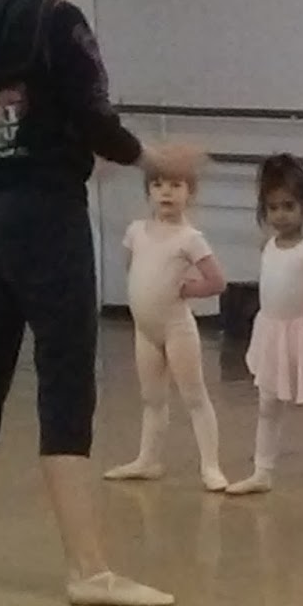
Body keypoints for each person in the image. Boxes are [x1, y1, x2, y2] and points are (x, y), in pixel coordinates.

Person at [0, 0, 202, 606]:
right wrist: (154, 157)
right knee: (65, 378)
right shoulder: (60, 20)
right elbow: (96, 117)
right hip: (46, 216)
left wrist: (39, 143)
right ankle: (88, 570)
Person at [103, 162, 227, 490]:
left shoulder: (190, 238)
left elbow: (217, 281)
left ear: (190, 193)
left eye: (175, 185)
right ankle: (148, 459)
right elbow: (132, 267)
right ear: (148, 192)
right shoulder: (136, 231)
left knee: (194, 396)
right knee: (152, 398)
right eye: (158, 185)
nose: (166, 192)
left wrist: (188, 289)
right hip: (145, 329)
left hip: (176, 328)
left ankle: (211, 466)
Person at [226, 153, 303, 498]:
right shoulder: (267, 246)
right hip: (271, 331)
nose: (281, 214)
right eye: (273, 207)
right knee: (268, 404)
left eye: (289, 206)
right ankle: (262, 472)